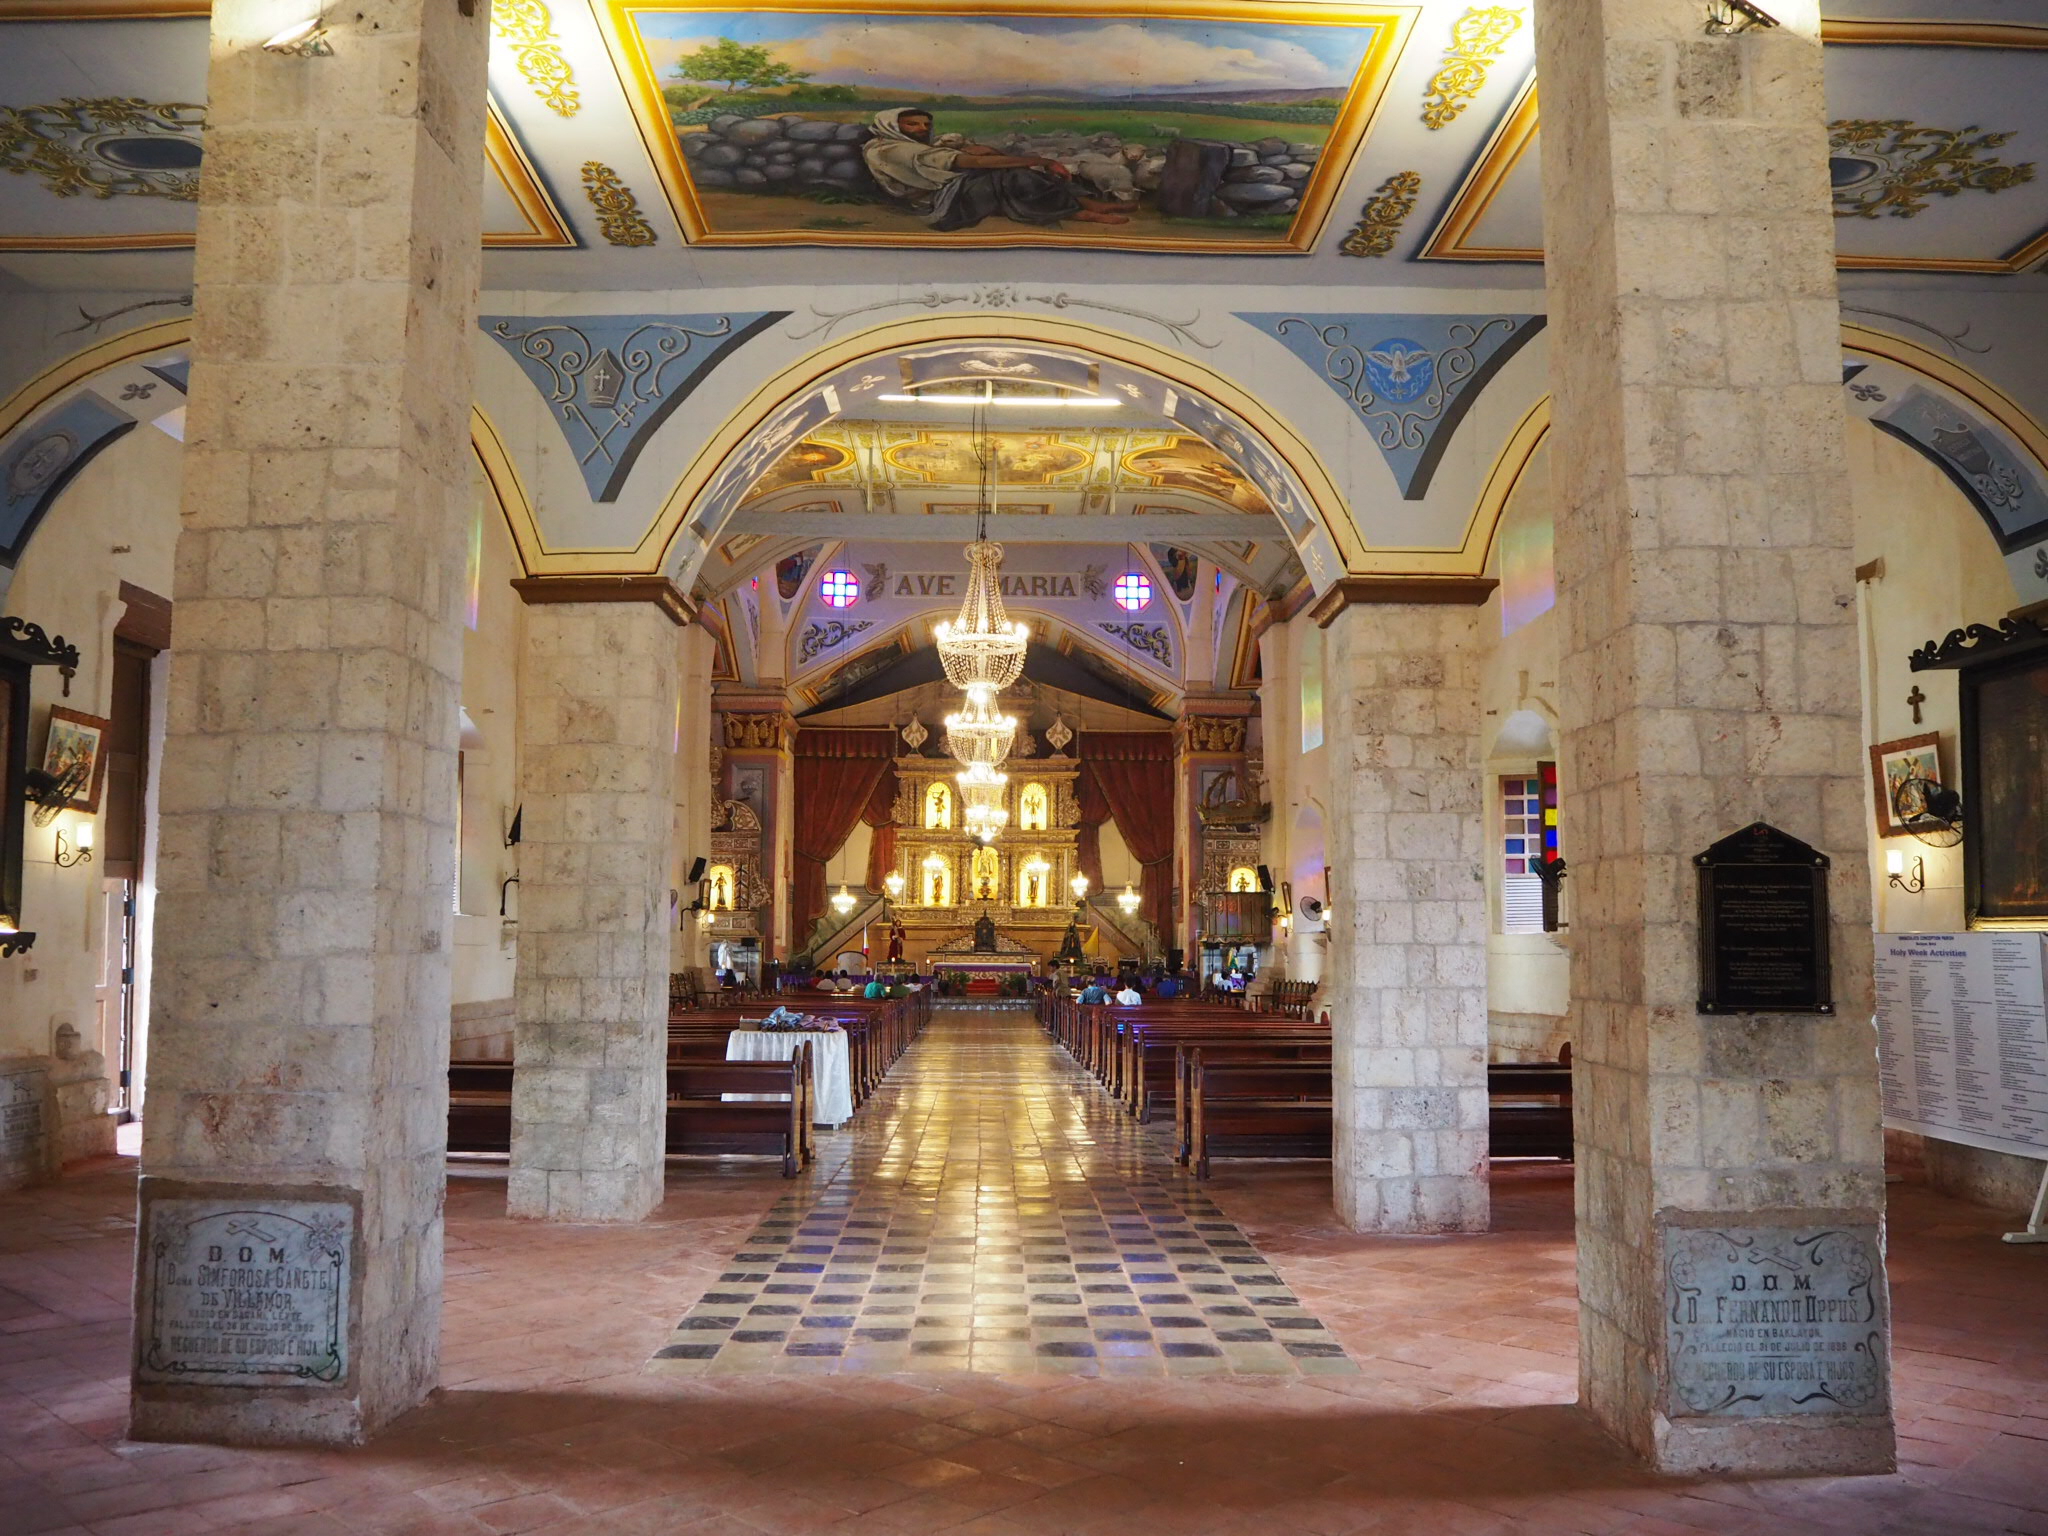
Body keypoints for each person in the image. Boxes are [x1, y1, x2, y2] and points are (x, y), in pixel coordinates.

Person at [860, 107, 1130, 232]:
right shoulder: (890, 149)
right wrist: (1043, 160)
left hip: (949, 188)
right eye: (912, 125)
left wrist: (982, 153)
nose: (923, 130)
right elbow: (971, 164)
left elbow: (942, 159)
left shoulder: (906, 146)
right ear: (892, 126)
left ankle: (1086, 202)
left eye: (925, 124)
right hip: (939, 204)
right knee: (1010, 175)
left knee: (1007, 167)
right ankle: (1079, 212)